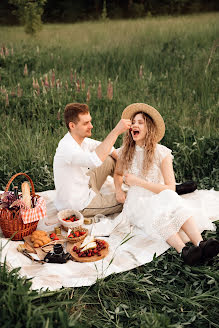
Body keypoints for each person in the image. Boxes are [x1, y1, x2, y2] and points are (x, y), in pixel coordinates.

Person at [114, 103, 219, 265]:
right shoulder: (125, 151)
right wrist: (118, 190)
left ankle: (201, 243)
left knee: (171, 197)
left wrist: (138, 181)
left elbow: (170, 187)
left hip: (159, 194)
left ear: (149, 127)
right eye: (133, 122)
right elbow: (118, 173)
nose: (135, 125)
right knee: (155, 212)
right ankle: (184, 250)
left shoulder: (161, 152)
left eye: (140, 122)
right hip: (137, 201)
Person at [53, 103, 131, 217]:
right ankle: (137, 191)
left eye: (90, 121)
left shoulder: (79, 140)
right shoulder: (67, 148)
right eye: (86, 123)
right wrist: (116, 131)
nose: (91, 126)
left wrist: (121, 164)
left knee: (109, 159)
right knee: (131, 199)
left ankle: (134, 180)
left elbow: (105, 147)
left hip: (86, 185)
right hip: (79, 205)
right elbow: (95, 160)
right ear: (72, 126)